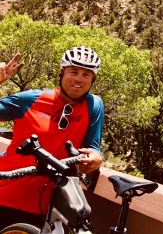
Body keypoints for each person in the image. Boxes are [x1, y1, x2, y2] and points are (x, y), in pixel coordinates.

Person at [0, 46, 104, 229]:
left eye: (86, 74)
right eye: (73, 71)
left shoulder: (94, 106)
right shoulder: (31, 99)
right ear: (61, 73)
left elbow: (92, 147)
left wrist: (96, 158)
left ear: (92, 79)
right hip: (5, 192)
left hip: (44, 207)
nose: (79, 78)